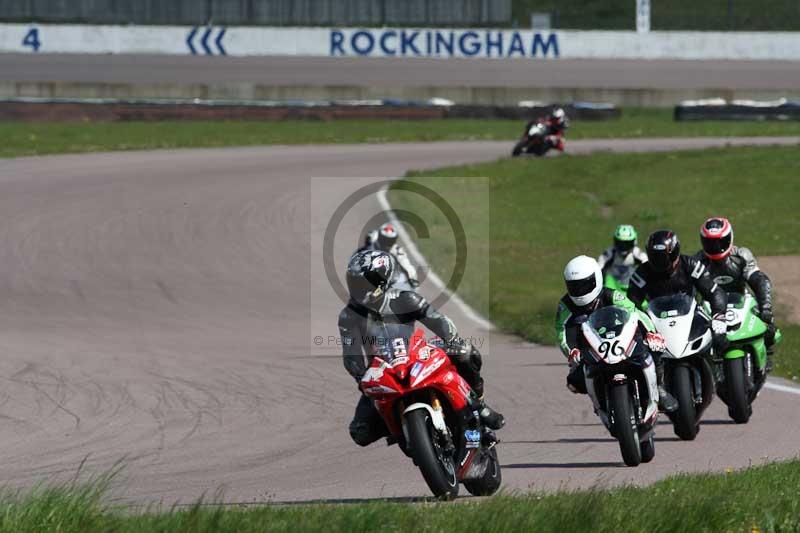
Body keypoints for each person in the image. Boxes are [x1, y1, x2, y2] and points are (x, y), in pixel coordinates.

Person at [338, 250, 504, 447]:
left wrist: (452, 339)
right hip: (384, 370)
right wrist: (361, 379)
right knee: (360, 432)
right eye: (354, 282)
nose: (357, 288)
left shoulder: (405, 299)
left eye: (362, 282)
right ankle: (401, 430)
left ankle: (481, 405)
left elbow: (438, 320)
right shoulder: (349, 316)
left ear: (380, 280)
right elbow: (351, 355)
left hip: (418, 353)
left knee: (466, 352)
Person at [554, 255, 673, 410]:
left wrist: (651, 333)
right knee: (574, 383)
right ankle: (600, 402)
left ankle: (659, 388)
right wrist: (572, 351)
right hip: (588, 347)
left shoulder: (611, 295)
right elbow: (562, 331)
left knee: (653, 349)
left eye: (584, 285)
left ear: (596, 279)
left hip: (619, 340)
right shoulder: (565, 306)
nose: (579, 291)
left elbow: (635, 313)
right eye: (574, 286)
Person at [627, 229, 728, 391]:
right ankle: (656, 386)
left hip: (690, 315)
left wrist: (719, 317)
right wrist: (638, 327)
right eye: (656, 258)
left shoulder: (691, 265)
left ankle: (721, 372)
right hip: (657, 321)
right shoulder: (642, 273)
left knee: (720, 336)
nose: (662, 263)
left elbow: (714, 291)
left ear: (675, 253)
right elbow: (630, 304)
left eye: (665, 257)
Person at [694, 217, 777, 357]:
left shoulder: (742, 255)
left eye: (720, 242)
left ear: (729, 238)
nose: (715, 247)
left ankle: (762, 353)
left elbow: (758, 279)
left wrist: (766, 307)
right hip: (711, 306)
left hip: (741, 300)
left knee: (771, 330)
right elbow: (691, 289)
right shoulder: (698, 260)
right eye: (710, 243)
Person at [361, 222, 419, 288]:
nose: (387, 243)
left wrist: (412, 278)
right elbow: (361, 253)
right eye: (385, 239)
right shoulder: (372, 244)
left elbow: (406, 264)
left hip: (390, 278)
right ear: (380, 237)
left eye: (390, 240)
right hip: (370, 273)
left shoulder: (397, 250)